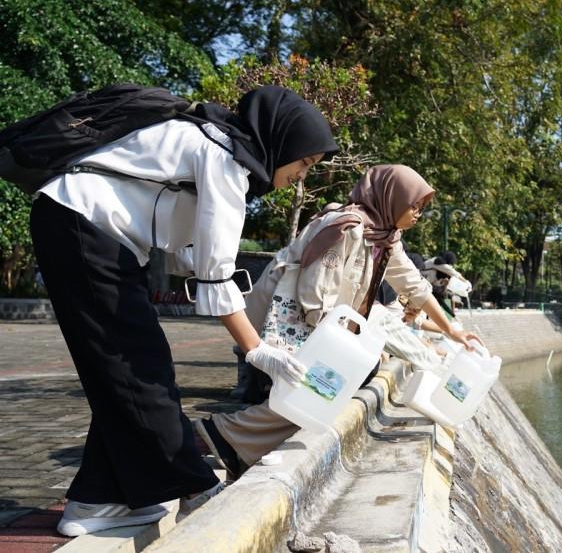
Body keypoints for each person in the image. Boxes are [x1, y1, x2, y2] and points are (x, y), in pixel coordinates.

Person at [30, 86, 339, 537]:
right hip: (84, 226)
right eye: (305, 164)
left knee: (123, 368)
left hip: (81, 227)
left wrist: (242, 318)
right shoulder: (224, 155)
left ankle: (96, 499)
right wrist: (257, 350)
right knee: (140, 365)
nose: (301, 177)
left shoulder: (214, 142)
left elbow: (188, 255)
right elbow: (214, 273)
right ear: (283, 142)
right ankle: (195, 486)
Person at [194, 165, 482, 477]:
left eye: (422, 208)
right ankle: (215, 436)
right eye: (414, 206)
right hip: (286, 317)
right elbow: (313, 295)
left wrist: (452, 330)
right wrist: (341, 346)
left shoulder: (385, 236)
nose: (418, 215)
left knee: (323, 388)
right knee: (320, 385)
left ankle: (226, 439)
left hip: (318, 322)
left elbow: (414, 285)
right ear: (392, 198)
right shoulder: (345, 227)